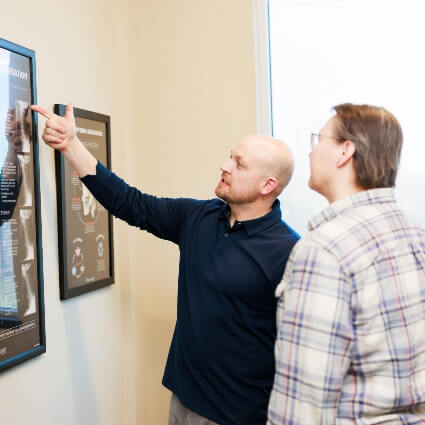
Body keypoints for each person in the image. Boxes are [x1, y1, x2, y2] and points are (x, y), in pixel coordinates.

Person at [32, 103, 300, 425]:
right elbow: (129, 202)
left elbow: (298, 351)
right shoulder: (199, 217)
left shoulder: (290, 251)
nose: (225, 165)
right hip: (183, 400)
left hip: (239, 415)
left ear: (267, 185)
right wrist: (71, 145)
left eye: (239, 164)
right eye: (230, 156)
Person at [267, 103, 425, 424]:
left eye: (319, 139)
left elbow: (305, 404)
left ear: (345, 152)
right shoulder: (416, 237)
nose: (311, 153)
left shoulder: (323, 251)